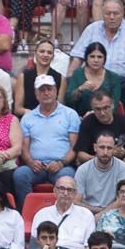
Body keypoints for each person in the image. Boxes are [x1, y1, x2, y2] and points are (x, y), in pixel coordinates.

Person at [69, 0, 125, 114]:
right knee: (77, 86)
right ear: (102, 14)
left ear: (123, 14)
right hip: (95, 78)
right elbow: (78, 57)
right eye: (108, 13)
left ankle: (119, 116)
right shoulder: (92, 29)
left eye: (115, 13)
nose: (111, 17)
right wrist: (70, 76)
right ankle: (90, 117)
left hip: (124, 80)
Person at [14, 73, 80, 209]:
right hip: (36, 166)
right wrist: (30, 162)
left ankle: (64, 212)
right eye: (42, 90)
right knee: (20, 175)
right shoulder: (28, 117)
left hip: (61, 165)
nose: (46, 93)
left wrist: (62, 163)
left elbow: (74, 147)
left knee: (67, 177)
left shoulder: (70, 114)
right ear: (36, 94)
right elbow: (24, 148)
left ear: (56, 91)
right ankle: (28, 212)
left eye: (49, 89)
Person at [73, 87, 125, 169]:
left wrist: (124, 152)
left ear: (112, 105)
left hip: (118, 163)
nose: (102, 113)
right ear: (92, 108)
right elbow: (80, 154)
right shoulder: (88, 122)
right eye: (98, 109)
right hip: (94, 163)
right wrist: (101, 157)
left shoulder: (123, 121)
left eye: (105, 108)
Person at [29, 175, 96, 249]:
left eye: (70, 190)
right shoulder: (42, 214)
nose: (65, 193)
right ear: (54, 191)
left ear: (75, 193)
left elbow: (89, 247)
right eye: (62, 189)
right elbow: (34, 245)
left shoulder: (86, 215)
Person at [75, 131, 125, 217]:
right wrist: (101, 211)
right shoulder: (82, 170)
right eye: (102, 147)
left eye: (109, 148)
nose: (105, 152)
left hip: (115, 215)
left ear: (114, 148)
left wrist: (101, 215)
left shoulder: (124, 169)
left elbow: (122, 201)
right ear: (95, 147)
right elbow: (76, 202)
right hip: (87, 214)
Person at [65, 40, 123, 118]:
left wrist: (96, 114)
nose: (96, 60)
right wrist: (80, 89)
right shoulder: (77, 74)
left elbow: (114, 104)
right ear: (86, 58)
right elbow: (68, 100)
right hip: (81, 118)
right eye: (92, 56)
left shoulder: (113, 77)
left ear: (104, 59)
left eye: (99, 57)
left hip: (106, 118)